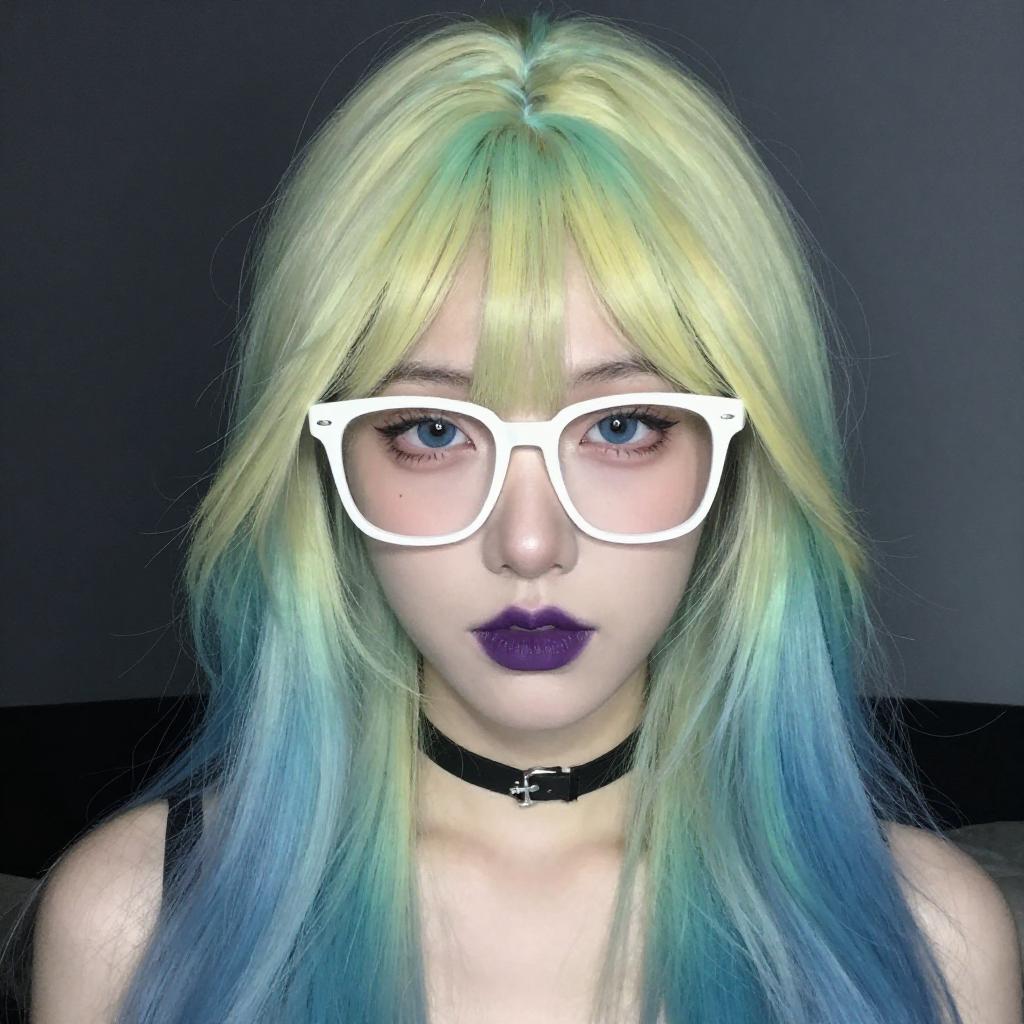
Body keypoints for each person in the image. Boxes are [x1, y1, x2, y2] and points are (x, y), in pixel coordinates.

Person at [12, 10, 1021, 1024]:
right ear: (322, 459)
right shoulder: (136, 927)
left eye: (621, 426)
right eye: (433, 431)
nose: (529, 543)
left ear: (741, 458)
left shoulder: (929, 945)